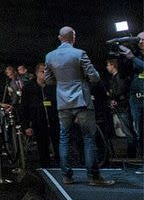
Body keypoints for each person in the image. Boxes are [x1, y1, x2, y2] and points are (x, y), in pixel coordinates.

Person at [44, 26, 114, 185]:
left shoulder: (50, 56)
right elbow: (94, 77)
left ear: (60, 37)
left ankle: (67, 176)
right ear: (73, 37)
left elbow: (48, 80)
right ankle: (93, 177)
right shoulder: (79, 53)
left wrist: (62, 83)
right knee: (89, 138)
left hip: (63, 102)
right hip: (81, 100)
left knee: (64, 139)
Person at [22, 65, 59, 167]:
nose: (45, 74)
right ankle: (46, 168)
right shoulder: (28, 88)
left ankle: (61, 167)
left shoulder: (52, 86)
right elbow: (24, 107)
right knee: (42, 147)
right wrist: (26, 125)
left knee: (58, 146)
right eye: (43, 72)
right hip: (38, 122)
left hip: (54, 121)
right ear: (37, 73)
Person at [118, 31, 144, 157]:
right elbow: (123, 74)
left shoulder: (134, 57)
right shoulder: (135, 54)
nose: (141, 42)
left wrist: (132, 57)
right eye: (138, 40)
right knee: (139, 126)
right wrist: (122, 57)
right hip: (136, 98)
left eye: (143, 39)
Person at [105, 58, 137, 157]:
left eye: (108, 65)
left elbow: (120, 92)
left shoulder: (119, 78)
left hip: (123, 107)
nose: (107, 67)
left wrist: (112, 97)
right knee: (127, 130)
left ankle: (132, 153)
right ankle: (131, 152)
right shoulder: (116, 78)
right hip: (121, 106)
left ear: (113, 66)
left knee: (127, 130)